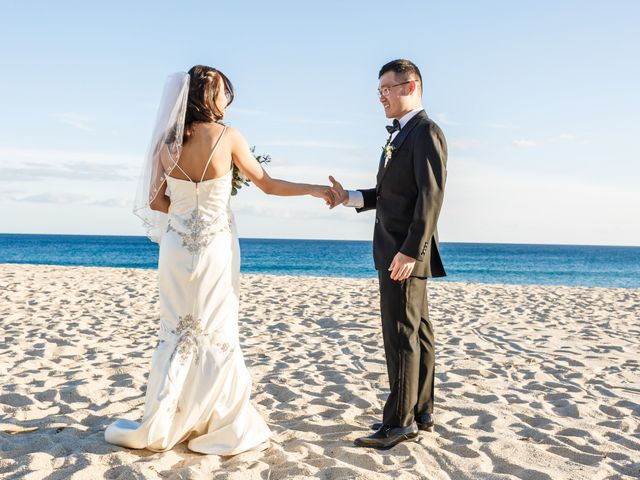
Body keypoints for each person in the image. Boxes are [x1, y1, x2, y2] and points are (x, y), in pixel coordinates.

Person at [104, 65, 332, 454]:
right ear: (209, 95)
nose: (228, 100)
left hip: (176, 248)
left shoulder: (166, 143)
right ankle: (216, 420)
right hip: (213, 248)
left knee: (177, 329)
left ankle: (166, 417)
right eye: (225, 92)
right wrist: (314, 189)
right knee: (215, 328)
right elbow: (269, 184)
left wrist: (186, 206)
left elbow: (156, 202)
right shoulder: (228, 137)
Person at [327, 59, 447, 449]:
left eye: (386, 89)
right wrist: (349, 198)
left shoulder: (426, 132)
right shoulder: (401, 136)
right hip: (399, 249)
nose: (380, 96)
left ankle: (399, 423)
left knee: (400, 336)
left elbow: (431, 196)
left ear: (409, 87)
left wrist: (411, 251)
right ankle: (422, 411)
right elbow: (389, 196)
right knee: (418, 334)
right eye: (379, 90)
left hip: (404, 252)